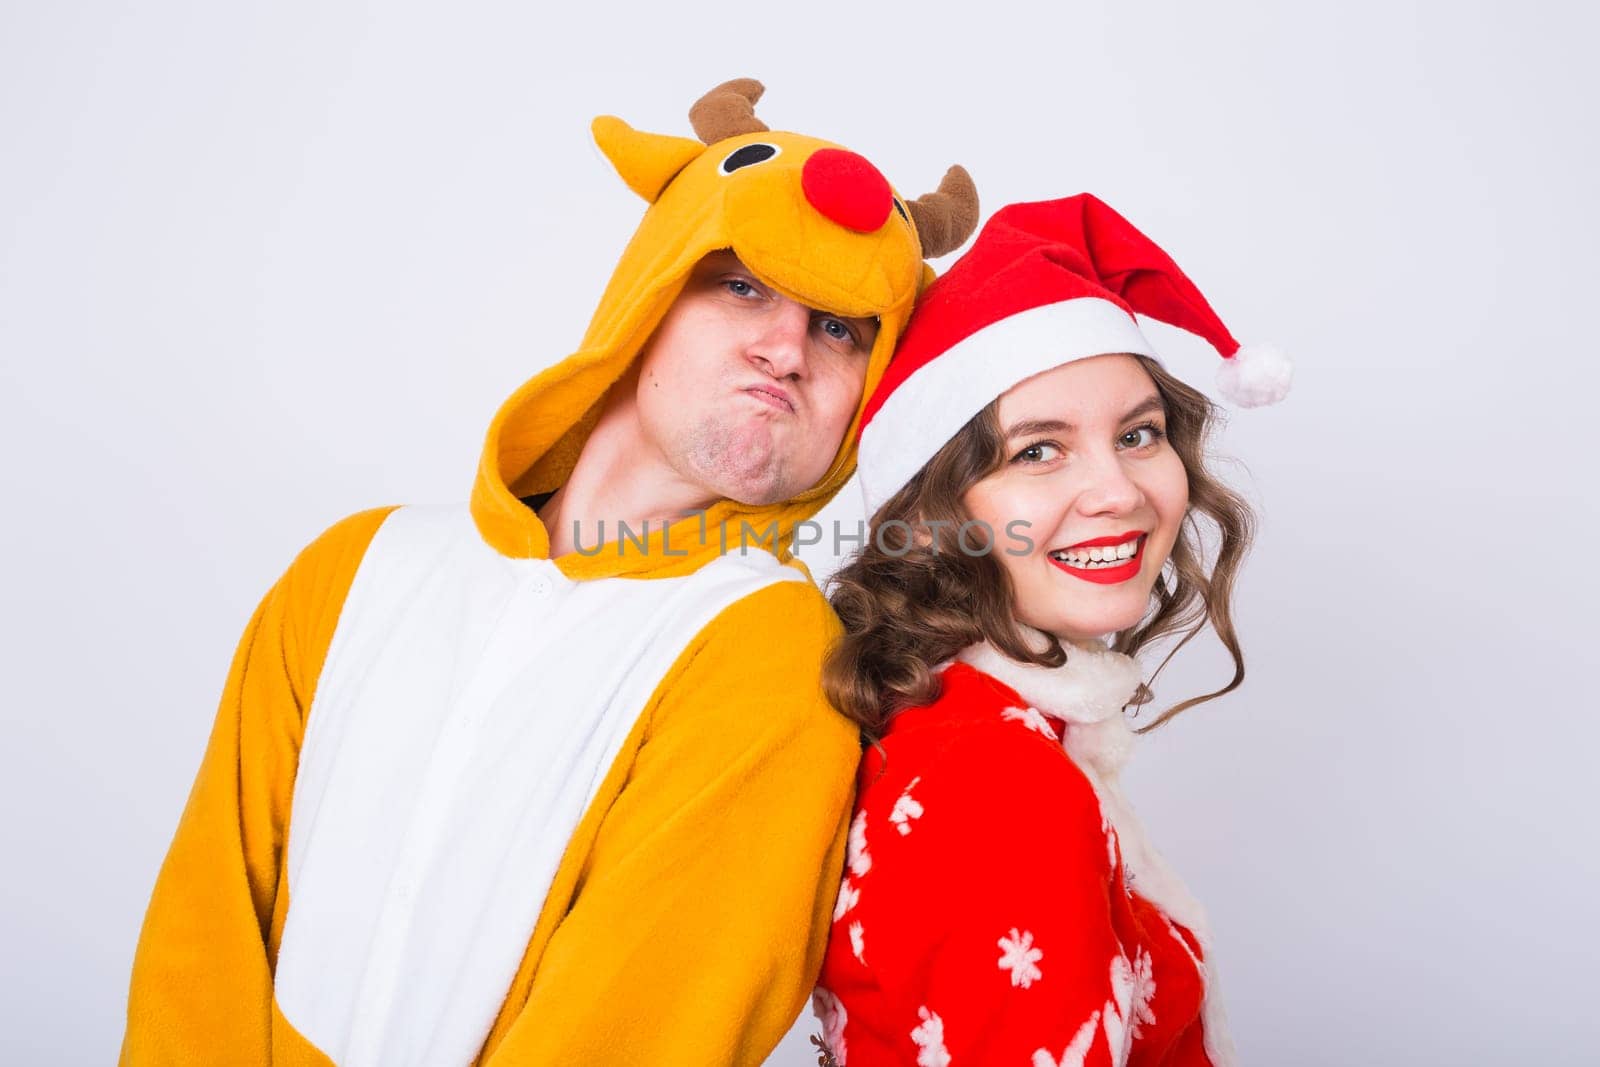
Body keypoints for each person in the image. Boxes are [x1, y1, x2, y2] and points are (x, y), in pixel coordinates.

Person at [121, 78, 977, 1066]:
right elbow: (203, 935)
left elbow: (638, 1032)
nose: (785, 347)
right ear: (648, 296)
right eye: (742, 283)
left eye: (841, 327)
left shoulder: (767, 651)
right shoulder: (353, 567)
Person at [811, 194, 1291, 1065]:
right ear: (926, 514)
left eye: (1140, 434)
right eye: (1038, 449)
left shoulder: (961, 723)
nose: (1120, 490)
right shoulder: (1000, 782)